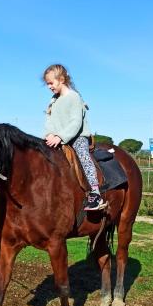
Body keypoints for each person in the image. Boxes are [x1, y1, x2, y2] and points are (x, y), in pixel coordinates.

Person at [43, 64, 103, 211]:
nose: (49, 87)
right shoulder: (53, 100)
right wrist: (49, 134)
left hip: (76, 137)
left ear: (61, 79)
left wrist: (60, 136)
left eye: (51, 83)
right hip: (56, 137)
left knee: (83, 156)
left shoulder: (74, 97)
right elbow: (49, 120)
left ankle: (95, 193)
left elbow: (75, 122)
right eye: (47, 84)